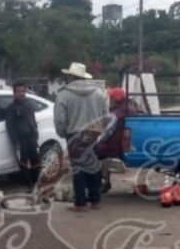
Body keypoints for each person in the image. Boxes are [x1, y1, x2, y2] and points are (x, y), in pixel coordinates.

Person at [54, 62, 108, 212]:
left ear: (70, 76)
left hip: (74, 135)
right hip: (93, 134)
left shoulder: (63, 94)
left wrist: (63, 133)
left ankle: (80, 203)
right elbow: (106, 115)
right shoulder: (99, 93)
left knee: (78, 168)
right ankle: (95, 200)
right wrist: (100, 130)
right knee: (93, 166)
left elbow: (60, 119)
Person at [96, 87, 135, 194]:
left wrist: (98, 140)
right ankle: (105, 181)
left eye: (111, 97)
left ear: (116, 99)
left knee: (94, 152)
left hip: (114, 144)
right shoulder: (129, 108)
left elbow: (108, 131)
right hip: (121, 142)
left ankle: (101, 182)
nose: (109, 99)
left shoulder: (117, 113)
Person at [5, 81, 40, 189]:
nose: (22, 94)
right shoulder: (11, 109)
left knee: (36, 161)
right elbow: (10, 128)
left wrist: (35, 133)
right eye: (19, 91)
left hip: (31, 138)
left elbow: (33, 120)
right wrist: (16, 143)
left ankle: (37, 183)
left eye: (23, 91)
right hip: (21, 141)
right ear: (14, 93)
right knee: (23, 164)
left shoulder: (28, 104)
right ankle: (29, 185)